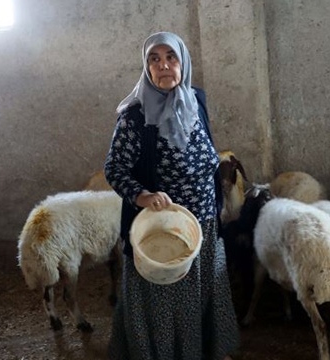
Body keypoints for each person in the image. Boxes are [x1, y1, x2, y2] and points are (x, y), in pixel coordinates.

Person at [104, 31, 239, 360]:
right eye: (154, 59)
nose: (163, 65)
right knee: (168, 301)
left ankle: (204, 350)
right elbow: (115, 168)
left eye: (171, 57)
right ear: (147, 67)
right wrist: (143, 196)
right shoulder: (135, 118)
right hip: (163, 229)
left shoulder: (196, 99)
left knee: (203, 292)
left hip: (203, 223)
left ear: (183, 62)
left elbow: (208, 153)